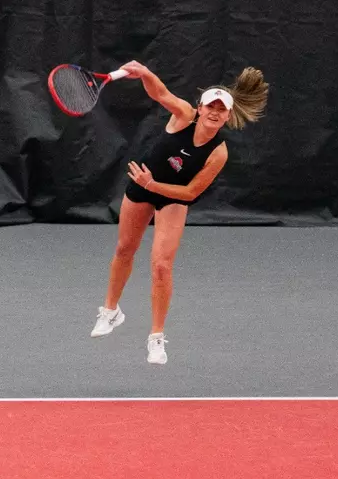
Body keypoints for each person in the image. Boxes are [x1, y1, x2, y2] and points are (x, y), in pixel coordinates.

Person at [89, 62, 269, 364]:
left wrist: (153, 184)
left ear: (227, 115)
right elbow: (160, 93)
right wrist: (145, 73)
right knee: (124, 249)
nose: (214, 112)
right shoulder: (183, 115)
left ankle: (156, 338)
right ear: (199, 108)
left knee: (161, 267)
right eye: (209, 106)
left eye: (220, 109)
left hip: (172, 197)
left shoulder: (218, 152)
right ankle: (111, 311)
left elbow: (190, 193)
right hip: (143, 187)